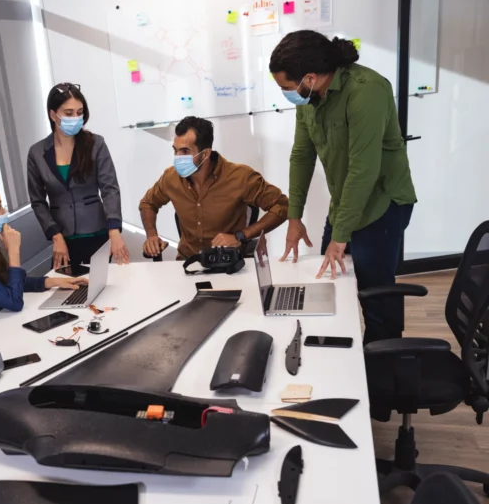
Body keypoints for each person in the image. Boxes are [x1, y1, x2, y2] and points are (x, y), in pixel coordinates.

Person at [269, 31, 417, 343]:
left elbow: (364, 170)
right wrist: (294, 217)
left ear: (310, 77)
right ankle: (338, 357)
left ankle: (385, 364)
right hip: (345, 202)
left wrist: (340, 236)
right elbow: (302, 154)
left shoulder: (367, 91)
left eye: (286, 87)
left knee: (374, 293)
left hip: (382, 204)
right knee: (332, 286)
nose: (286, 94)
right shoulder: (309, 98)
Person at [0, 183, 86, 348]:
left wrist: (51, 282)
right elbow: (14, 301)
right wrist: (13, 252)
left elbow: (7, 280)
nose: (4, 212)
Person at [139, 116, 288, 260]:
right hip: (188, 263)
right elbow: (147, 203)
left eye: (185, 151)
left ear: (206, 153)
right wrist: (151, 235)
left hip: (229, 262)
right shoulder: (171, 177)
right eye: (175, 150)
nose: (177, 157)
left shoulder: (240, 177)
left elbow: (282, 205)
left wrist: (240, 236)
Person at [27, 83, 129, 270]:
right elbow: (38, 201)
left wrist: (114, 230)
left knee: (97, 292)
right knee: (66, 293)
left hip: (96, 233)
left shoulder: (95, 144)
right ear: (53, 115)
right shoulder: (37, 153)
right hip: (62, 238)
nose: (76, 118)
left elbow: (110, 188)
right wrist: (55, 235)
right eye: (68, 113)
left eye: (79, 112)